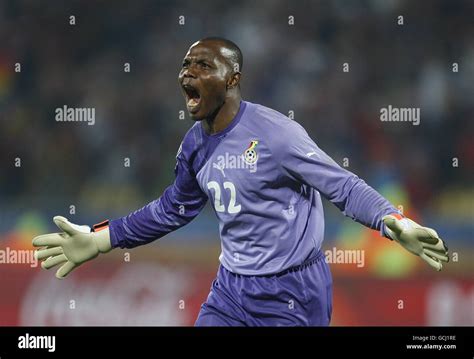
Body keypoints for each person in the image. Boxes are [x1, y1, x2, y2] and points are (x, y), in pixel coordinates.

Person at [32, 37, 449, 326]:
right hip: (231, 290)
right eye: (185, 65)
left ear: (232, 79)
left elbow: (341, 185)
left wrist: (392, 221)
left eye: (203, 66)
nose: (188, 74)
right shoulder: (195, 145)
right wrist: (101, 238)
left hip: (294, 292)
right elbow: (170, 210)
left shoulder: (276, 134)